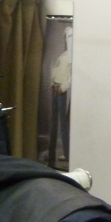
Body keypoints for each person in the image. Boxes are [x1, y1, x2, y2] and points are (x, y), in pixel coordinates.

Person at [48, 28, 72, 165]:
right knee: (54, 122)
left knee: (63, 123)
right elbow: (55, 70)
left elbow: (72, 75)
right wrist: (52, 83)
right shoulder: (63, 55)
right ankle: (51, 154)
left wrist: (64, 87)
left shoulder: (73, 56)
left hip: (62, 90)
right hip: (56, 88)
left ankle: (68, 155)